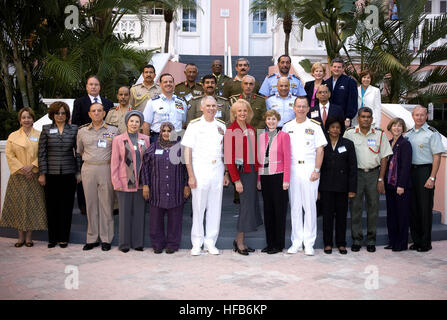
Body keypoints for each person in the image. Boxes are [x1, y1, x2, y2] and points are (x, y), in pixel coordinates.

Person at [181, 96, 230, 256]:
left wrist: (225, 173)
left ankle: (210, 242)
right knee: (198, 207)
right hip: (200, 169)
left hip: (217, 168)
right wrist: (190, 175)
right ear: (202, 107)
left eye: (214, 106)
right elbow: (187, 151)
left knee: (215, 208)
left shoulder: (221, 125)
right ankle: (197, 242)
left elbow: (225, 152)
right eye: (208, 105)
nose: (211, 108)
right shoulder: (194, 125)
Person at [343, 107, 393, 253]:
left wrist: (380, 178)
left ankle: (371, 240)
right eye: (363, 116)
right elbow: (344, 156)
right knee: (355, 208)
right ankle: (357, 240)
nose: (365, 119)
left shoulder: (380, 134)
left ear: (371, 119)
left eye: (368, 117)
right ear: (358, 118)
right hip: (356, 175)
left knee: (373, 208)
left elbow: (384, 157)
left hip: (373, 174)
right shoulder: (350, 133)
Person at [282, 97, 327, 256]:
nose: (301, 109)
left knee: (309, 207)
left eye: (304, 106)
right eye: (298, 106)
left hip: (309, 169)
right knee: (295, 206)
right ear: (293, 108)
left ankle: (309, 242)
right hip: (293, 169)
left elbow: (320, 150)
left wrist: (317, 170)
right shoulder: (287, 127)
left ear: (308, 109)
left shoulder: (314, 126)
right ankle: (296, 242)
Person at [0, 107, 47, 247]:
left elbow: (43, 154)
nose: (26, 120)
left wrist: (32, 166)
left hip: (34, 175)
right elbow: (10, 155)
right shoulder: (13, 136)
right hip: (19, 176)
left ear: (33, 119)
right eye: (24, 117)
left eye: (29, 117)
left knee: (32, 206)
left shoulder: (40, 135)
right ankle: (20, 237)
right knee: (18, 206)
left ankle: (29, 238)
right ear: (20, 120)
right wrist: (22, 168)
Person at [38, 101, 81, 248]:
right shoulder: (46, 129)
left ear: (67, 114)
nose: (60, 115)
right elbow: (41, 153)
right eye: (57, 113)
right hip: (51, 173)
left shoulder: (74, 129)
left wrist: (78, 171)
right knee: (52, 207)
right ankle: (52, 238)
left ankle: (64, 238)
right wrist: (42, 173)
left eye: (63, 113)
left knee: (66, 207)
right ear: (52, 114)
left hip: (69, 173)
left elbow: (79, 152)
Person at [141, 122, 189, 254]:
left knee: (175, 220)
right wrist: (146, 185)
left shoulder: (180, 149)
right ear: (160, 133)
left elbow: (186, 169)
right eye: (164, 131)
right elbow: (145, 168)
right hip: (157, 190)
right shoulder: (152, 148)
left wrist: (186, 186)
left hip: (176, 190)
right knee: (155, 220)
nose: (166, 133)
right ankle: (157, 244)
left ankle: (172, 245)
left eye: (169, 130)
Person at [77, 103, 119, 251]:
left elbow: (118, 151)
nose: (96, 113)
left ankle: (106, 238)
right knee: (91, 204)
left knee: (106, 204)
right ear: (89, 114)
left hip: (106, 168)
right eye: (93, 111)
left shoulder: (113, 130)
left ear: (104, 113)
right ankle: (92, 238)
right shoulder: (82, 131)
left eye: (99, 111)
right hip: (88, 168)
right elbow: (80, 151)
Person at [224, 99, 263, 255]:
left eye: (245, 110)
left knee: (250, 206)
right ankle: (238, 242)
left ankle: (242, 240)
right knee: (246, 207)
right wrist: (236, 180)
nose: (242, 113)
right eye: (239, 111)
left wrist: (259, 177)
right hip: (240, 174)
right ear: (234, 113)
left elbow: (256, 155)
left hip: (252, 172)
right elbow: (228, 158)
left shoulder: (252, 129)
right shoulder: (230, 130)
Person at [72, 75, 114, 216]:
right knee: (85, 182)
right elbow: (76, 123)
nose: (94, 87)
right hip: (87, 144)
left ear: (100, 86)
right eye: (91, 84)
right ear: (86, 87)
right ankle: (84, 207)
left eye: (96, 84)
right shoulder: (79, 102)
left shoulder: (108, 103)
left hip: (105, 146)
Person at [406, 106, 445, 252]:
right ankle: (416, 241)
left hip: (425, 172)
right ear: (412, 116)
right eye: (417, 115)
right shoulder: (408, 134)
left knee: (424, 209)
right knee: (413, 209)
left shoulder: (432, 133)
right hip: (411, 173)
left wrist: (432, 177)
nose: (419, 117)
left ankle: (425, 243)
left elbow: (437, 156)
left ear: (426, 116)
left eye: (422, 115)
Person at [111, 110, 150, 253]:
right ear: (127, 122)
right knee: (124, 215)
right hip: (124, 182)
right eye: (132, 121)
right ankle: (124, 244)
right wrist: (116, 183)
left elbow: (148, 161)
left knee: (139, 215)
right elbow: (114, 163)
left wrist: (148, 183)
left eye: (137, 121)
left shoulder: (146, 139)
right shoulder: (118, 139)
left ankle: (138, 243)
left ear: (140, 124)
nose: (134, 124)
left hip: (141, 183)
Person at [319, 117, 357, 255]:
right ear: (328, 128)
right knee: (327, 216)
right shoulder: (322, 144)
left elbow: (353, 167)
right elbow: (318, 167)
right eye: (332, 127)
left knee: (341, 216)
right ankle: (328, 243)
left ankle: (341, 243)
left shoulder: (348, 144)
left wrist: (352, 189)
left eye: (337, 127)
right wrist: (317, 189)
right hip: (326, 186)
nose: (335, 129)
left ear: (341, 129)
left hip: (343, 187)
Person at [257, 109, 291, 254]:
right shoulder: (261, 136)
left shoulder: (284, 136)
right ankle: (270, 243)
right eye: (268, 119)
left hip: (279, 177)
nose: (271, 121)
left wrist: (286, 179)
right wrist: (259, 179)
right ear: (265, 121)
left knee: (279, 211)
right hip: (265, 177)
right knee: (268, 211)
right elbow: (259, 160)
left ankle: (278, 244)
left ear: (278, 121)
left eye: (273, 119)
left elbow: (288, 158)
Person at [384, 117, 412, 252]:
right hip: (389, 185)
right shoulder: (389, 143)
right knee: (392, 214)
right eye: (394, 125)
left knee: (402, 215)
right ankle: (392, 241)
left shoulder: (405, 144)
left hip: (400, 186)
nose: (397, 128)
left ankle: (401, 243)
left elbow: (406, 167)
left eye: (400, 126)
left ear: (403, 129)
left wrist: (401, 185)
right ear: (390, 127)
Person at [142, 73, 187, 143]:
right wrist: (147, 144)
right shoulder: (152, 102)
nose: (168, 84)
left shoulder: (182, 102)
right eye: (165, 82)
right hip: (158, 139)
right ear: (160, 85)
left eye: (170, 82)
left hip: (176, 138)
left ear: (174, 84)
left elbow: (183, 123)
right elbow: (146, 124)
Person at [326, 57, 358, 127]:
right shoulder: (326, 82)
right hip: (329, 117)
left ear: (343, 69)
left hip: (343, 119)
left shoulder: (350, 82)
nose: (336, 69)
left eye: (339, 67)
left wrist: (348, 118)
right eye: (334, 67)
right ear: (331, 68)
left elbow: (352, 101)